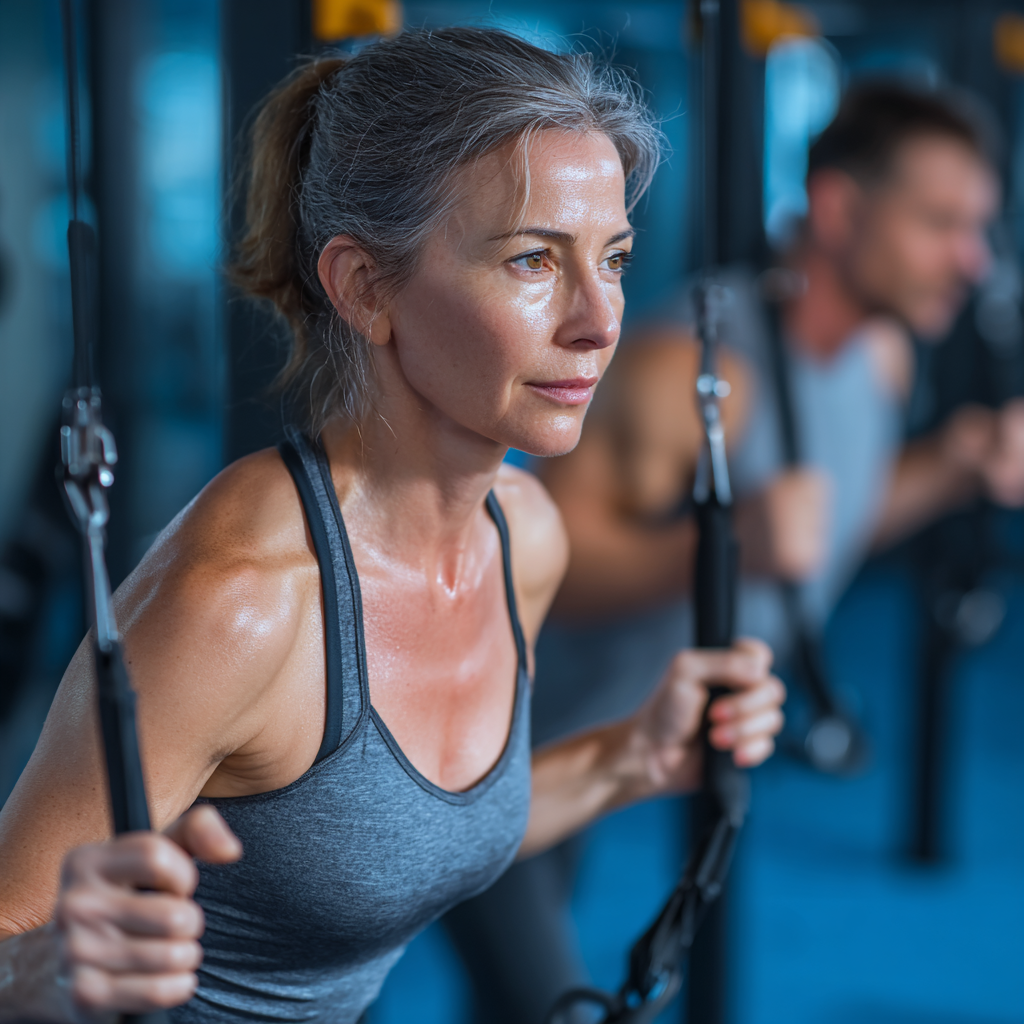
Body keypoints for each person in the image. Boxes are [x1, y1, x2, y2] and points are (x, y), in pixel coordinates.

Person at [0, 28, 786, 1024]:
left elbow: (389, 849)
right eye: (534, 260)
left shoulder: (523, 537)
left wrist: (630, 756)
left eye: (615, 259)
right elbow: (14, 932)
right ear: (365, 287)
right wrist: (41, 973)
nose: (600, 320)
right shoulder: (239, 602)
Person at [443, 80, 1024, 1023]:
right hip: (511, 755)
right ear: (838, 209)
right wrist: (721, 546)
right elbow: (542, 572)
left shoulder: (884, 356)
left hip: (634, 744)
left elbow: (826, 537)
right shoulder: (697, 369)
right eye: (941, 224)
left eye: (977, 228)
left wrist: (955, 465)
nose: (971, 261)